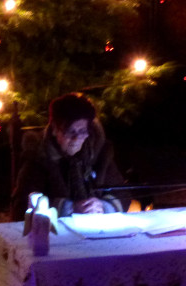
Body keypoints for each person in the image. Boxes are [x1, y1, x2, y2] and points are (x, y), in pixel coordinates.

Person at [11, 93, 126, 221]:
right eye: (70, 131)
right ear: (55, 129)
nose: (76, 138)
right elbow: (22, 207)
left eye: (82, 131)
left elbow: (123, 193)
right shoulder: (38, 157)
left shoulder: (99, 153)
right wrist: (68, 208)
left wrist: (104, 207)